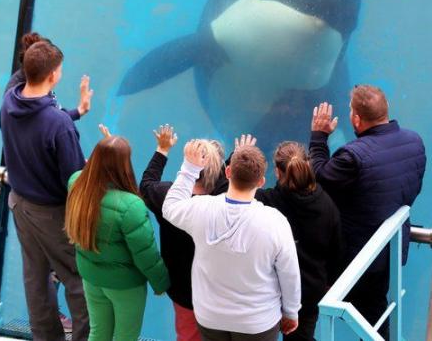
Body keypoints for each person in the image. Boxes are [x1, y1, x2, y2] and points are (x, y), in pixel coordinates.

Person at [309, 85, 426, 339]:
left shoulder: (353, 156)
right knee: (375, 315)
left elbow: (319, 179)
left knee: (308, 299)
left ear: (356, 118)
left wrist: (319, 137)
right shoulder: (414, 142)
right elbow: (411, 188)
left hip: (355, 259)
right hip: (389, 251)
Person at [163, 139, 301, 341]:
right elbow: (289, 274)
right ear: (261, 181)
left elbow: (170, 206)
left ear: (227, 173)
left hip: (210, 317)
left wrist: (190, 168)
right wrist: (291, 312)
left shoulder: (201, 208)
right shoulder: (275, 222)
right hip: (257, 321)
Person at [0, 40, 90, 341]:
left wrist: (77, 111)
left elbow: (39, 122)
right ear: (52, 76)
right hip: (52, 214)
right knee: (78, 278)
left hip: (19, 205)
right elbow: (75, 180)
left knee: (36, 277)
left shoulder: (9, 103)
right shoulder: (59, 125)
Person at [65, 135, 170, 341]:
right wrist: (161, 283)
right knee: (125, 337)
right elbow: (145, 255)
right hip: (125, 286)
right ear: (124, 165)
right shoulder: (131, 206)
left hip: (91, 278)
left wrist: (108, 146)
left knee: (98, 332)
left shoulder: (76, 183)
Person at [140, 125, 228, 341]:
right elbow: (230, 185)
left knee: (187, 336)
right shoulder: (225, 203)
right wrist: (233, 159)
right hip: (218, 293)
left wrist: (162, 149)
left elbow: (147, 184)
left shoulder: (166, 197)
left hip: (183, 291)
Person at [251, 137, 343, 341]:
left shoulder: (265, 203)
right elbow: (336, 253)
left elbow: (230, 193)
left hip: (270, 293)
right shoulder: (328, 205)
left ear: (277, 171)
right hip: (309, 293)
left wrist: (237, 158)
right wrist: (328, 284)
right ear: (307, 165)